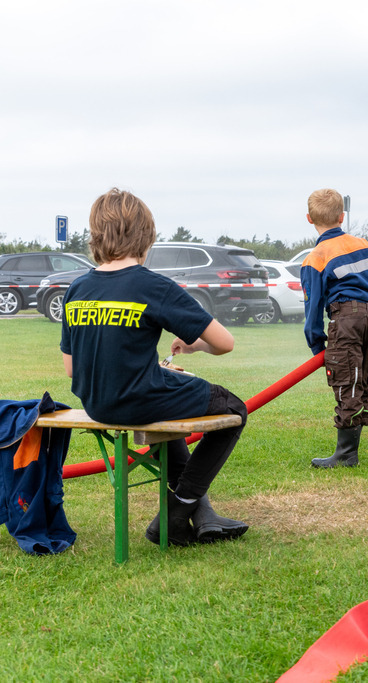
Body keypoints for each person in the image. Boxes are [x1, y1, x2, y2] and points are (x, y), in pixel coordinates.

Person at [60, 188, 249, 547]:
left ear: (95, 235)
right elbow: (225, 343)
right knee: (234, 408)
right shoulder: (153, 286)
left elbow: (71, 369)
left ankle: (199, 514)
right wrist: (195, 345)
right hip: (139, 399)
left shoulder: (78, 289)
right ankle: (177, 511)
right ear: (146, 237)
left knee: (168, 398)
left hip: (97, 403)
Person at [301, 188, 368, 468]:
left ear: (309, 219)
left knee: (347, 380)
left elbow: (313, 308)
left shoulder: (315, 258)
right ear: (342, 216)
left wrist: (317, 346)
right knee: (361, 377)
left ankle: (345, 455)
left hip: (345, 319)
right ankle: (349, 451)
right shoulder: (362, 245)